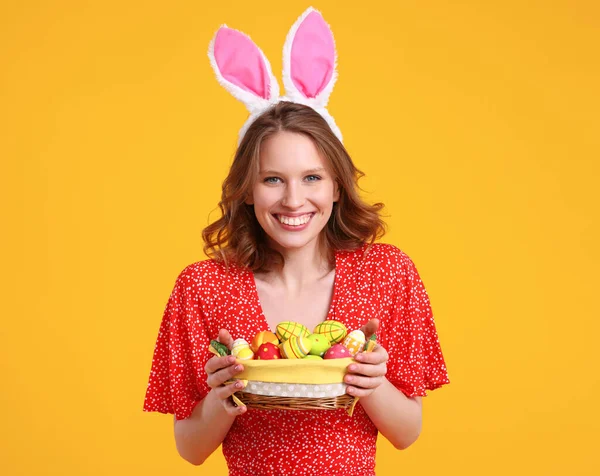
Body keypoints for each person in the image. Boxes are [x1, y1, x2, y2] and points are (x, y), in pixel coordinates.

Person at [143, 8, 449, 476]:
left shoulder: (388, 274)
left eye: (311, 177)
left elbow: (408, 433)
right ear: (246, 189)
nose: (293, 200)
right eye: (272, 179)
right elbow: (190, 448)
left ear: (337, 185)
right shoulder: (203, 288)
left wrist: (372, 385)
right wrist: (221, 398)